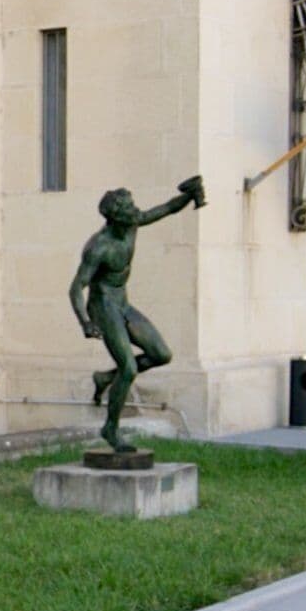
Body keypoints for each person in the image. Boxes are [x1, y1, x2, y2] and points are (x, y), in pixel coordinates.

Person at [70, 177, 206, 455]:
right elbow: (76, 288)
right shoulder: (99, 247)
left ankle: (106, 378)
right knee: (129, 368)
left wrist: (190, 196)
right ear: (115, 218)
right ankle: (111, 428)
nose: (135, 212)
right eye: (128, 210)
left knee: (161, 354)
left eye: (133, 207)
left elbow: (165, 209)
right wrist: (85, 322)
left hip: (123, 303)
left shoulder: (131, 225)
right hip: (103, 307)